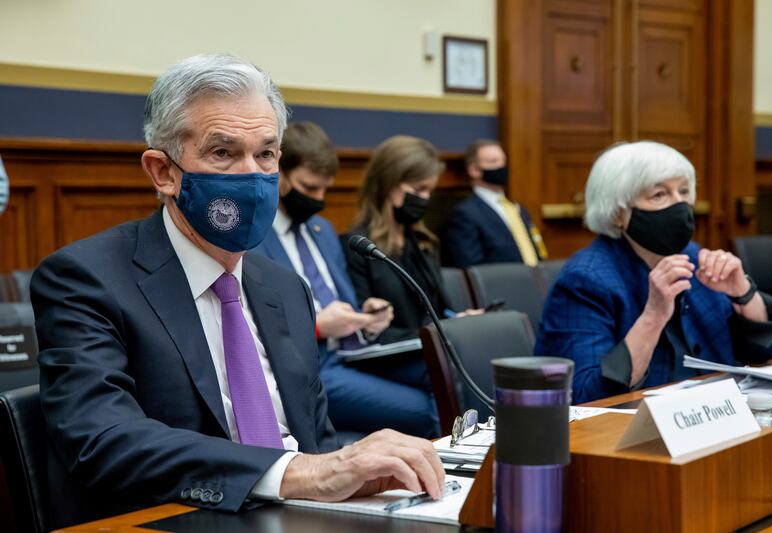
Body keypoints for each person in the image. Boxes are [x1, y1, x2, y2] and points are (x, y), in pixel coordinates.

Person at [30, 54, 445, 525]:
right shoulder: (86, 278)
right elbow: (102, 437)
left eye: (266, 154)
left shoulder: (286, 287)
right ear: (163, 172)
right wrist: (296, 473)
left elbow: (317, 442)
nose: (252, 176)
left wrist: (363, 481)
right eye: (223, 153)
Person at [535, 141, 772, 403]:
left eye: (683, 192)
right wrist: (653, 316)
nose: (679, 205)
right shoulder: (586, 279)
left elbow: (766, 352)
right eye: (659, 195)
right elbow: (586, 395)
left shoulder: (694, 256)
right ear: (617, 214)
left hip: (718, 416)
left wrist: (744, 294)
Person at [254, 121, 439, 438]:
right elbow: (255, 324)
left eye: (326, 188)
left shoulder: (322, 230)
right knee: (427, 408)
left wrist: (366, 316)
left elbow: (345, 303)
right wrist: (319, 326)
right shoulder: (256, 235)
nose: (319, 198)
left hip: (357, 355)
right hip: (313, 368)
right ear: (279, 173)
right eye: (309, 188)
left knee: (444, 374)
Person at [343, 135, 477, 344]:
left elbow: (440, 311)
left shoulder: (424, 242)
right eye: (418, 190)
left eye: (429, 191)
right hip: (395, 355)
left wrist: (457, 322)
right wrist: (435, 334)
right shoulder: (358, 246)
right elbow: (367, 328)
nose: (424, 199)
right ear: (388, 184)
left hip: (432, 348)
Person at [443, 139, 547, 268]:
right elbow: (470, 268)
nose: (501, 166)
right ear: (474, 170)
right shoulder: (464, 214)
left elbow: (537, 250)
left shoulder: (518, 210)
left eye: (503, 161)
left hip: (535, 282)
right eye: (494, 162)